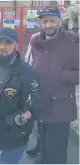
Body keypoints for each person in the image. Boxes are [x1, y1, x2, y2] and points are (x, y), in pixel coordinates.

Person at [0, 27, 41, 164]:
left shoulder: (26, 73)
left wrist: (0, 126)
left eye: (8, 43)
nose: (2, 47)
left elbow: (32, 109)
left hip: (11, 141)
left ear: (16, 45)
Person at [26, 7, 79, 164]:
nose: (48, 25)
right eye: (44, 21)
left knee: (56, 156)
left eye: (52, 21)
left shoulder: (73, 43)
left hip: (60, 108)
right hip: (41, 105)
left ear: (60, 21)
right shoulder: (36, 43)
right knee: (44, 148)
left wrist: (64, 75)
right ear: (39, 23)